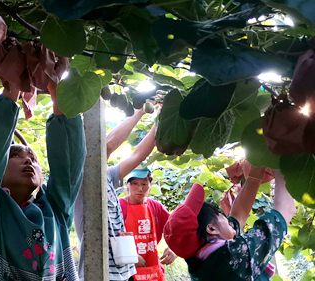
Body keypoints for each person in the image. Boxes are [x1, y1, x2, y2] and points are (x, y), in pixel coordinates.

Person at [0, 83, 86, 280]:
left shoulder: (54, 211)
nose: (28, 160)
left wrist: (60, 99)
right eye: (15, 156)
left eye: (33, 159)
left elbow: (69, 167)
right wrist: (12, 87)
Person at [164, 166, 297, 281]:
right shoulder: (233, 256)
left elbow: (238, 216)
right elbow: (285, 210)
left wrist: (254, 175)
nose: (226, 218)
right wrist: (281, 163)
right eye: (219, 214)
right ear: (211, 228)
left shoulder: (204, 260)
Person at [74, 109, 157, 281]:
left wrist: (161, 119)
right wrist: (139, 112)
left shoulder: (108, 175)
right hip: (98, 272)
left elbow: (138, 155)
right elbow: (107, 145)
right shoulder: (79, 175)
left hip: (123, 272)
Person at [120, 168, 176, 281]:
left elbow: (177, 228)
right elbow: (109, 237)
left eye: (144, 184)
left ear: (150, 186)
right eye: (135, 183)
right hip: (125, 270)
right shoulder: (119, 206)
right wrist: (130, 256)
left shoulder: (156, 207)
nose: (140, 189)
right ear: (127, 186)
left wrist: (174, 249)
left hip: (151, 266)